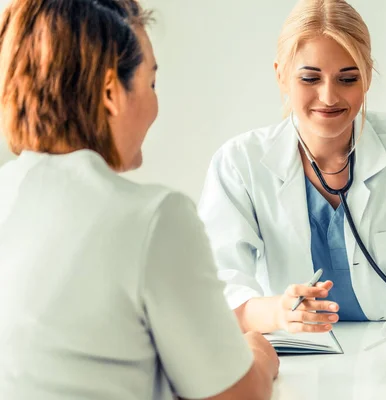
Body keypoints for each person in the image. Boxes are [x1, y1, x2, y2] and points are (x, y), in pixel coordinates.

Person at [0, 1, 278, 399]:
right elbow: (238, 395)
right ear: (111, 92)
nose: (155, 107)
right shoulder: (155, 218)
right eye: (151, 83)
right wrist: (259, 353)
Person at [198, 0, 386, 335]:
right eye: (310, 78)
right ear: (281, 75)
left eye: (348, 78)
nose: (328, 96)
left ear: (367, 76)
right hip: (298, 357)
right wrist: (275, 313)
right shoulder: (239, 163)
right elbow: (214, 288)